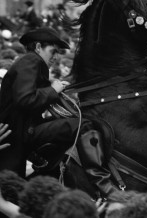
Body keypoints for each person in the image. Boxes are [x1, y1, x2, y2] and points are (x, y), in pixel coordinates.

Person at [0, 27, 117, 198]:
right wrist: (53, 90)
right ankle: (101, 183)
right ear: (38, 47)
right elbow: (25, 99)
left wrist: (52, 91)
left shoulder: (29, 63)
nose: (56, 57)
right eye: (53, 51)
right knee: (83, 125)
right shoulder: (31, 60)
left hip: (18, 137)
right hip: (20, 135)